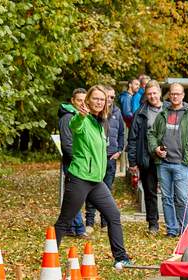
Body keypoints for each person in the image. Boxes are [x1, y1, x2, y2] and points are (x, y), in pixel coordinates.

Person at [54, 85, 131, 267]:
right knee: (65, 221)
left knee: (113, 215)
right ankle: (50, 254)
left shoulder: (101, 122)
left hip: (96, 181)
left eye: (102, 99)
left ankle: (121, 257)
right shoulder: (81, 119)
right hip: (79, 177)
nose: (99, 102)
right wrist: (80, 116)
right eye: (95, 98)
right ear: (88, 100)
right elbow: (75, 126)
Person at [147, 83, 188, 237]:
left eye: (178, 94)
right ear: (169, 95)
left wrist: (186, 157)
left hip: (180, 163)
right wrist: (155, 148)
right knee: (166, 198)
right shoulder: (163, 113)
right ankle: (172, 229)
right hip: (163, 163)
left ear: (183, 95)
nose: (175, 96)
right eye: (172, 94)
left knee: (182, 198)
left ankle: (186, 231)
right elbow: (152, 134)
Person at [85, 85, 124, 233]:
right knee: (91, 189)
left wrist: (119, 150)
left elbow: (121, 133)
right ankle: (89, 221)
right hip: (94, 159)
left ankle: (104, 222)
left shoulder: (117, 113)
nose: (108, 100)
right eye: (106, 97)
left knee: (106, 190)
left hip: (111, 157)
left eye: (112, 97)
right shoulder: (95, 115)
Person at [127, 81, 164, 234]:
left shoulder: (170, 109)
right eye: (149, 94)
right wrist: (133, 161)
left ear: (160, 93)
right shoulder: (141, 112)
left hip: (168, 158)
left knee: (171, 192)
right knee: (150, 192)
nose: (152, 96)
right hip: (147, 158)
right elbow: (133, 138)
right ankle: (153, 223)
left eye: (155, 93)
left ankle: (174, 223)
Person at [57, 88, 89, 239]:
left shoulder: (83, 117)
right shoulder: (67, 118)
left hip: (81, 163)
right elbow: (67, 144)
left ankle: (71, 227)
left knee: (74, 195)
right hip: (73, 162)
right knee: (75, 195)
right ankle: (78, 228)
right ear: (72, 101)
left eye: (84, 100)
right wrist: (79, 159)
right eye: (79, 100)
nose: (82, 103)